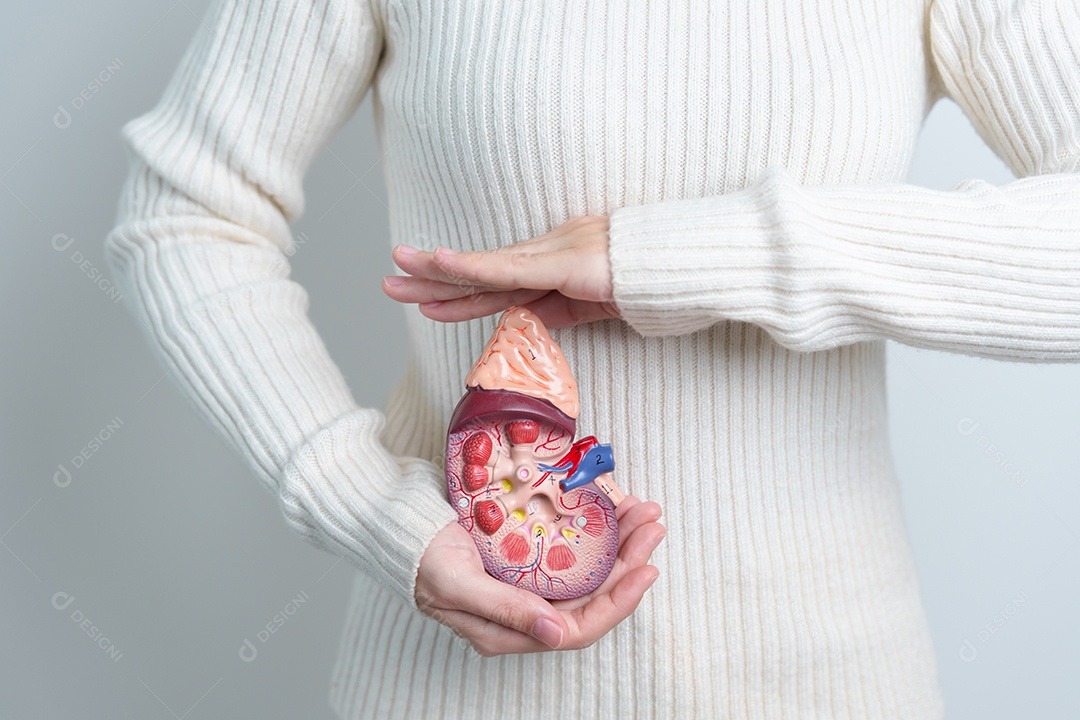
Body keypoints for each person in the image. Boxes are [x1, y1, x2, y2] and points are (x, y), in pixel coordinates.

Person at [104, 0, 1080, 717]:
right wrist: (365, 505)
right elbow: (187, 214)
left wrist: (668, 257)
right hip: (452, 688)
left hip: (831, 678)